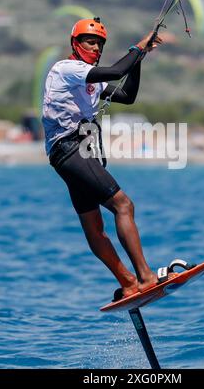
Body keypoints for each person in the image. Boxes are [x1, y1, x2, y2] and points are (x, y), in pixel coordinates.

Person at [42, 17, 164, 299]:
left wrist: (140, 58)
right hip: (70, 149)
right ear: (75, 43)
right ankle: (145, 277)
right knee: (123, 205)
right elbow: (117, 70)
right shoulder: (66, 68)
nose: (96, 48)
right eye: (90, 41)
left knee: (95, 227)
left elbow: (127, 95)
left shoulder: (90, 80)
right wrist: (138, 47)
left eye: (99, 44)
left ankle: (129, 282)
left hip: (70, 155)